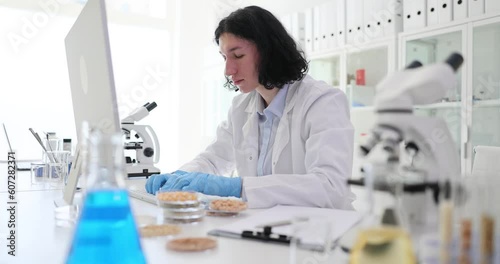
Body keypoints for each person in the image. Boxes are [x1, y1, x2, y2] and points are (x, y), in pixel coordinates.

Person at [146, 6, 355, 210]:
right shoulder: (241, 107)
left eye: (237, 55)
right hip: (269, 229)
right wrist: (181, 176)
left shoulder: (322, 102)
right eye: (224, 57)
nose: (228, 70)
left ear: (269, 52)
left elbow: (330, 187)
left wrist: (237, 187)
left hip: (325, 233)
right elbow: (214, 159)